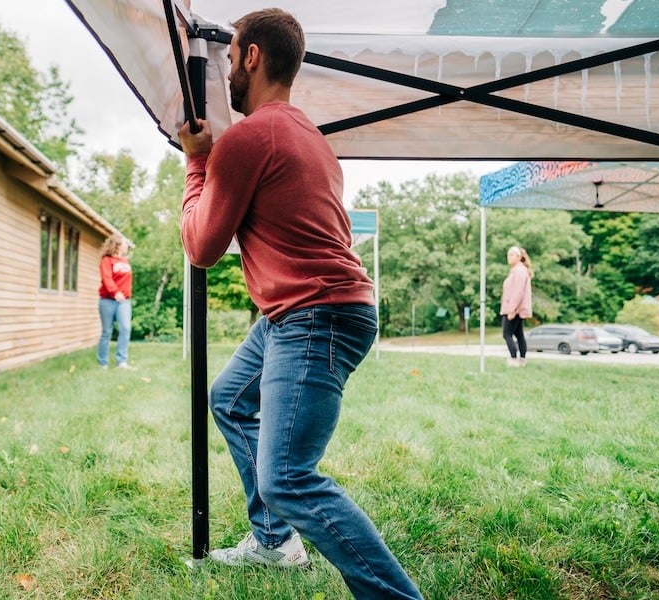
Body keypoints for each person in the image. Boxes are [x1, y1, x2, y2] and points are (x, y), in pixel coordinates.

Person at [177, 9, 422, 599]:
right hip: (307, 309)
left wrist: (195, 162)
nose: (228, 69)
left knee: (286, 477)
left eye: (231, 56)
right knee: (231, 399)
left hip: (315, 312)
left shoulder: (249, 137)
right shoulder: (311, 136)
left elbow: (202, 246)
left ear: (253, 56)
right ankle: (273, 541)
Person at [97, 233, 133, 369]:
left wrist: (124, 294)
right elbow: (107, 278)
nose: (126, 245)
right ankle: (102, 363)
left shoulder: (125, 262)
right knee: (107, 331)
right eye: (124, 243)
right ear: (117, 245)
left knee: (125, 328)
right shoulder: (106, 260)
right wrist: (115, 291)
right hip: (107, 300)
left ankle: (122, 361)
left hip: (124, 301)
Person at [500, 246, 534, 367]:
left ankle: (514, 358)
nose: (508, 257)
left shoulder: (519, 270)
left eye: (511, 255)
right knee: (519, 334)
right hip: (517, 308)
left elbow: (517, 291)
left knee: (507, 334)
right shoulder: (517, 270)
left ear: (519, 257)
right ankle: (522, 359)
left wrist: (512, 309)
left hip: (514, 309)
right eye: (508, 255)